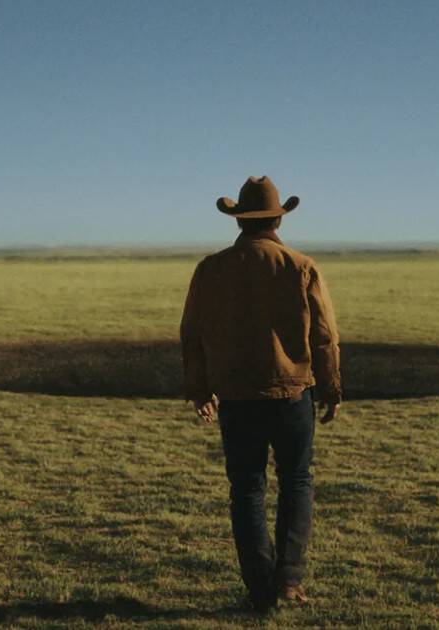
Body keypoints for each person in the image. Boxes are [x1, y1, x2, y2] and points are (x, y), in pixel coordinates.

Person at [179, 175, 342, 614]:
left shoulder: (211, 269)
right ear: (277, 219)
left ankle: (259, 590)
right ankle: (288, 580)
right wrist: (331, 387)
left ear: (238, 221)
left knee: (247, 490)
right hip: (292, 395)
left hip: (237, 397)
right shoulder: (300, 266)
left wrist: (200, 389)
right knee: (297, 481)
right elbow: (324, 335)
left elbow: (192, 333)